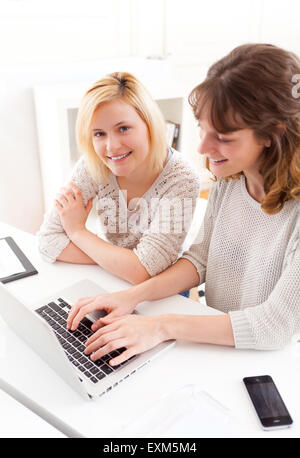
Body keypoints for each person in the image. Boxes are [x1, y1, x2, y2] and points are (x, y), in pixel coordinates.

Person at [66, 44, 300, 366]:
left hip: (272, 362)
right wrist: (131, 297)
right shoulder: (231, 181)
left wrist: (160, 326)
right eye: (202, 128)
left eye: (224, 137)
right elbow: (201, 260)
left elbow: (272, 327)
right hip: (216, 341)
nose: (202, 146)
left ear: (272, 134)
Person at [37, 72, 201, 285]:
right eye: (99, 134)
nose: (111, 147)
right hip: (110, 279)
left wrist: (77, 232)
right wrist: (121, 264)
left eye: (123, 128)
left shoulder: (182, 178)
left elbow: (146, 271)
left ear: (149, 124)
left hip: (162, 291)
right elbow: (48, 241)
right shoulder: (93, 164)